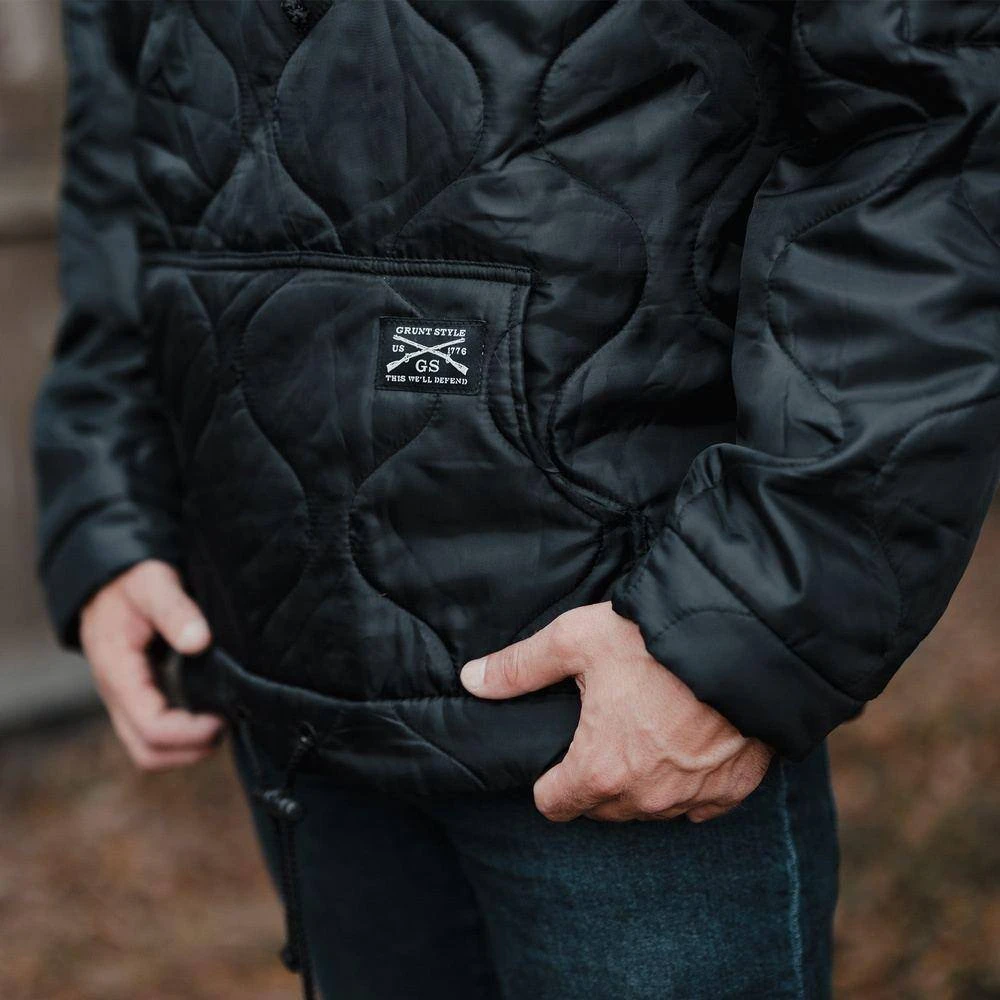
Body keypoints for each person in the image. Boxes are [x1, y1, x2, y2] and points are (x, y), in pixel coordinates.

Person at [32, 2, 1000, 998]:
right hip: (281, 646)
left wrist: (745, 615)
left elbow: (923, 132)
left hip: (622, 664)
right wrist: (109, 499)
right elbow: (120, 132)